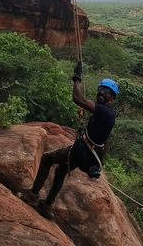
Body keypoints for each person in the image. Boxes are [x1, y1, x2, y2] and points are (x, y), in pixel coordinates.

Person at [22, 64, 118, 219]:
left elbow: (77, 98)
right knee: (60, 171)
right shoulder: (105, 113)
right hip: (88, 157)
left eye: (107, 92)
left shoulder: (105, 112)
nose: (102, 93)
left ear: (112, 99)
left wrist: (77, 78)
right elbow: (104, 142)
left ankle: (33, 194)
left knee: (47, 158)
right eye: (101, 90)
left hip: (81, 153)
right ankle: (47, 205)